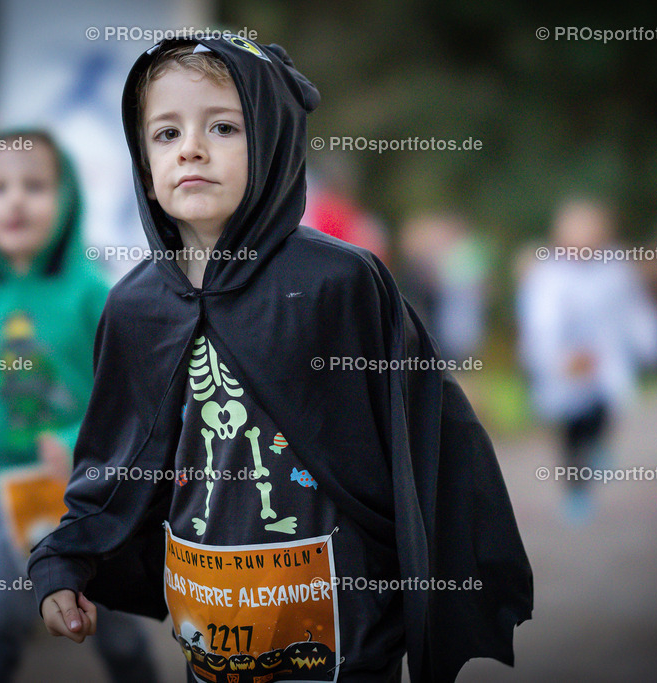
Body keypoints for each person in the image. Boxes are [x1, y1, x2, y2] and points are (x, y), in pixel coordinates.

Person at [28, 37, 532, 683]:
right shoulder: (136, 306)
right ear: (143, 161)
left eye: (224, 126)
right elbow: (115, 461)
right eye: (165, 132)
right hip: (211, 623)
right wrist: (62, 562)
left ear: (274, 138)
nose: (191, 147)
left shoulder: (339, 282)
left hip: (346, 624)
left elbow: (425, 439)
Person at [0, 130, 157, 683]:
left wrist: (75, 445)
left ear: (67, 199)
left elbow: (127, 398)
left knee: (110, 623)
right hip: (4, 490)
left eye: (35, 186)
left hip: (84, 495)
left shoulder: (94, 295)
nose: (15, 200)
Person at [518, 199, 657, 521]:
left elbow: (633, 311)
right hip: (565, 366)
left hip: (605, 362)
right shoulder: (548, 274)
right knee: (569, 431)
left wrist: (649, 343)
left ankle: (597, 450)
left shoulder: (616, 269)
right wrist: (554, 358)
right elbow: (540, 322)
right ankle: (576, 490)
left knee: (602, 413)